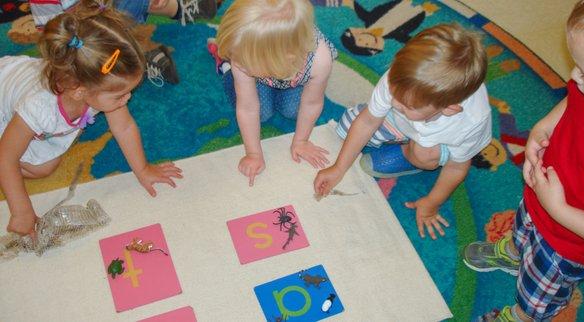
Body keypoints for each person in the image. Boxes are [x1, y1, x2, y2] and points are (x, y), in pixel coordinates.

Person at [462, 1, 584, 321]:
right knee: (523, 228)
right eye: (577, 66)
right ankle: (513, 253)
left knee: (540, 292)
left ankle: (523, 316)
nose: (575, 76)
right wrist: (543, 127)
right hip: (543, 195)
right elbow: (572, 101)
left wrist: (559, 209)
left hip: (569, 243)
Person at [0, 7, 182, 240]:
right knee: (38, 167)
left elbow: (124, 127)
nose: (127, 99)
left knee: (47, 162)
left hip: (31, 97)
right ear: (79, 91)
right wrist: (21, 211)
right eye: (119, 96)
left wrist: (144, 170)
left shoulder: (92, 85)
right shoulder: (40, 106)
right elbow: (7, 156)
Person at [314, 23, 491, 240]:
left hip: (437, 144)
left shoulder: (470, 122)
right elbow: (368, 120)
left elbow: (457, 168)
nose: (395, 101)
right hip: (402, 123)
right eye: (395, 94)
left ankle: (409, 156)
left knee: (424, 154)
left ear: (449, 108)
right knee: (348, 125)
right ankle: (407, 137)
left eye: (407, 104)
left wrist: (431, 203)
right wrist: (339, 168)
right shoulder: (401, 80)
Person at [211, 0, 337, 186]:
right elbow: (247, 108)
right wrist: (253, 154)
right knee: (262, 113)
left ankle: (268, 80)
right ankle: (225, 66)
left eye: (240, 59)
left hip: (286, 75)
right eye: (234, 56)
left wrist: (301, 141)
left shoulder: (320, 59)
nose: (238, 60)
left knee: (293, 110)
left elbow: (312, 103)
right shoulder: (242, 58)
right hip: (261, 74)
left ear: (281, 59)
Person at [28, 0, 219, 86]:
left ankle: (179, 9)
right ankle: (138, 55)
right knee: (86, 67)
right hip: (85, 39)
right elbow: (53, 40)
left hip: (109, 13)